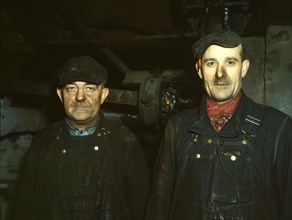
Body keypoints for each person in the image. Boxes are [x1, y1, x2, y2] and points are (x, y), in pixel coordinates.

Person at [146, 30, 292, 219]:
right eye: (211, 63)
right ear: (199, 70)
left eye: (230, 62)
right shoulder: (177, 127)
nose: (220, 73)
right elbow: (159, 203)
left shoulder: (278, 128)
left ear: (244, 68)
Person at [12, 56, 150, 220]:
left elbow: (141, 205)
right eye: (71, 88)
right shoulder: (43, 141)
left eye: (90, 88)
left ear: (103, 94)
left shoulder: (124, 140)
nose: (80, 97)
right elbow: (23, 207)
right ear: (60, 94)